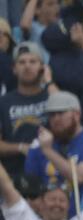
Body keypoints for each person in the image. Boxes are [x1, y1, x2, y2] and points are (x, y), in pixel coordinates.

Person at [24, 91, 83, 196]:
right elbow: (31, 188)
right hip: (48, 209)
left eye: (61, 112)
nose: (56, 119)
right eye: (52, 114)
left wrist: (48, 151)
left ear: (77, 114)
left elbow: (80, 177)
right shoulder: (38, 144)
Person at [0, 41, 51, 172]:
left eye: (33, 62)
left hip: (49, 174)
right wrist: (22, 147)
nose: (27, 66)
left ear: (42, 67)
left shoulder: (51, 97)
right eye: (21, 62)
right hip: (13, 177)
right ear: (14, 69)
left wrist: (49, 81)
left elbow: (67, 111)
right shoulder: (3, 102)